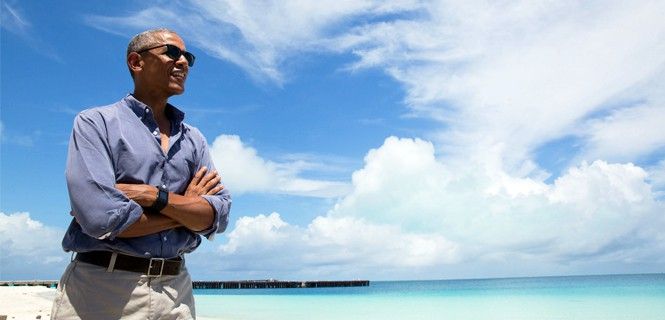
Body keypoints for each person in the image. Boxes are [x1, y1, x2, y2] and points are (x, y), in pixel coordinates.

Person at [51, 28, 231, 319]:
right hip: (103, 290)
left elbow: (218, 216)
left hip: (176, 291)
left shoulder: (194, 138)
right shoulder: (96, 123)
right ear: (136, 62)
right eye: (172, 52)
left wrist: (153, 196)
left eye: (188, 56)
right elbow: (101, 219)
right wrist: (186, 208)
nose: (183, 61)